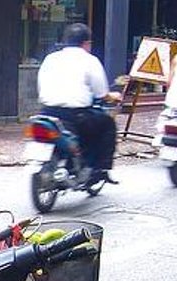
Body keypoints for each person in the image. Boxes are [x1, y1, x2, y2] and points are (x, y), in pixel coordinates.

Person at [37, 23, 121, 184]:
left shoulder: (50, 58)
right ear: (86, 43)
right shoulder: (89, 60)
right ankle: (101, 169)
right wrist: (113, 96)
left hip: (46, 112)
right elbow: (101, 93)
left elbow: (40, 87)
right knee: (107, 123)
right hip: (75, 116)